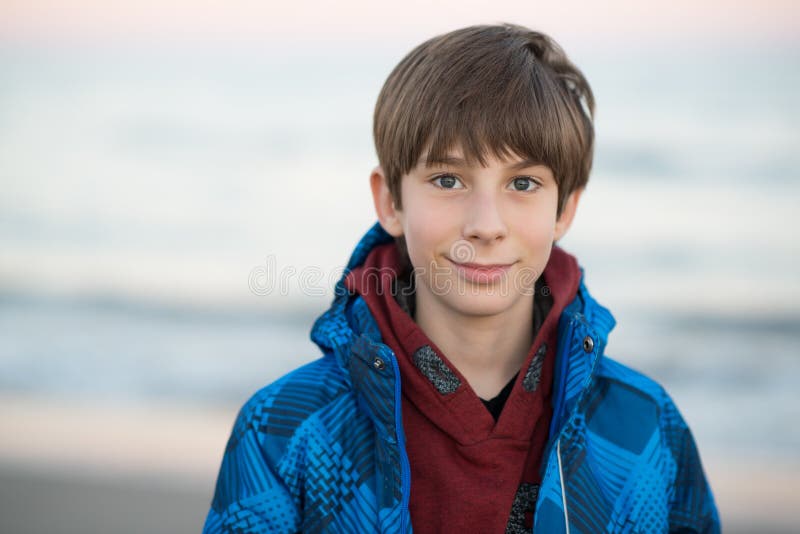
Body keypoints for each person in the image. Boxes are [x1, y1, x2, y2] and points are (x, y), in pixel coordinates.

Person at [203, 23, 720, 533]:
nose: (486, 225)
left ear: (564, 210)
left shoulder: (647, 430)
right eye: (448, 179)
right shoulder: (283, 431)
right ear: (390, 201)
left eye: (523, 182)